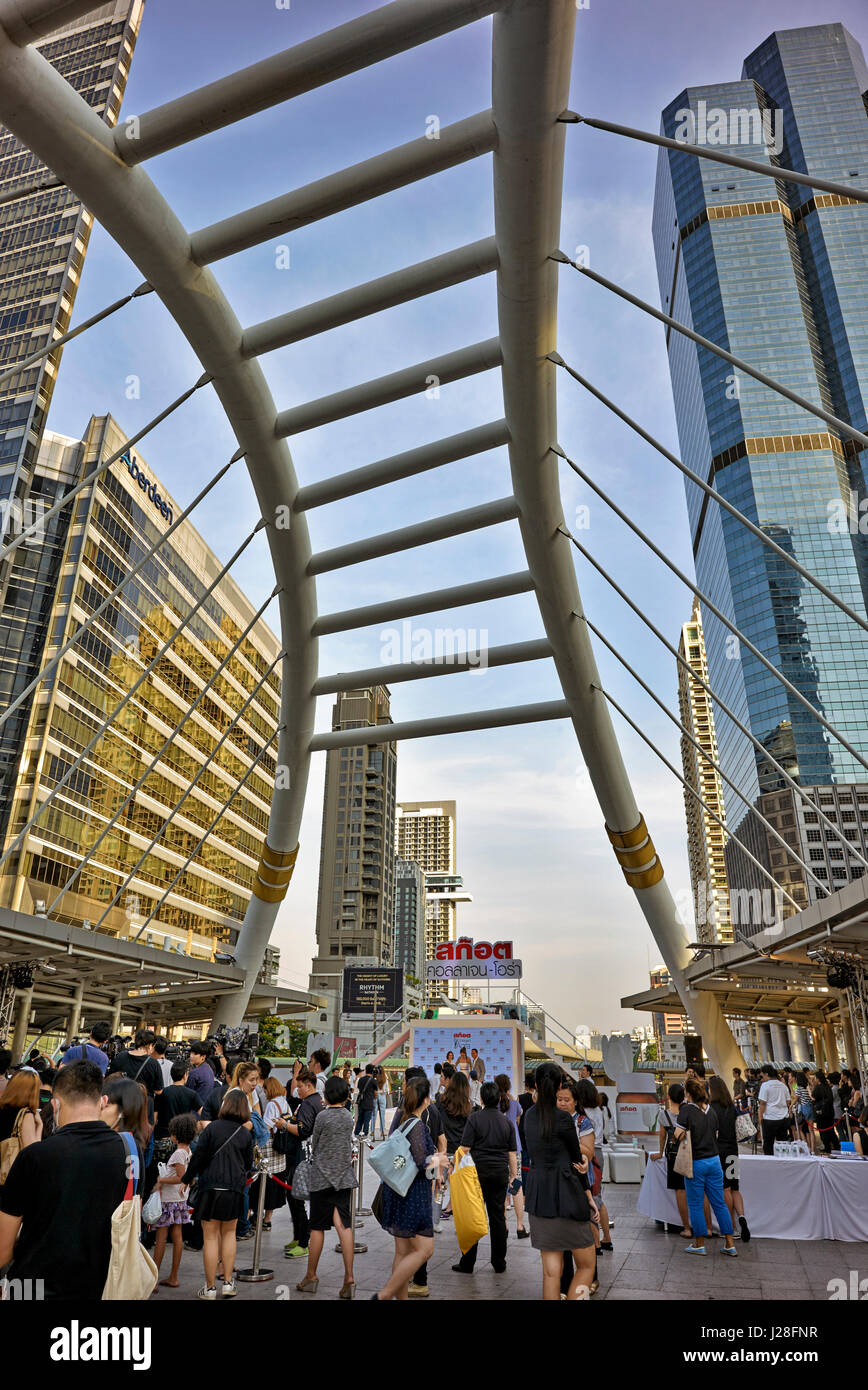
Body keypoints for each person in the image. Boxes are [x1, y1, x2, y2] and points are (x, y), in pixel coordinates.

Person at [0, 1061, 131, 1299]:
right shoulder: (129, 1153)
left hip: (31, 1288)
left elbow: (3, 1248)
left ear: (56, 1103)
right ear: (102, 1102)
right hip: (98, 1286)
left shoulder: (34, 1157)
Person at [525, 1063, 597, 1301]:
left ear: (535, 1085)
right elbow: (577, 1161)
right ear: (558, 1086)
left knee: (550, 1272)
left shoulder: (528, 1117)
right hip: (567, 1196)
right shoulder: (564, 1118)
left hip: (538, 1197)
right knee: (587, 1265)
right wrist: (588, 1195)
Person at [373, 1074, 448, 1300]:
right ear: (426, 1099)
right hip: (412, 1196)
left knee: (402, 1252)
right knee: (425, 1250)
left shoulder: (405, 1121)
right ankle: (385, 1295)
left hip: (399, 1192)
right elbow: (420, 1160)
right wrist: (438, 1160)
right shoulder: (416, 1124)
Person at [185, 1087, 255, 1299]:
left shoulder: (212, 1128)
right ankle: (227, 1283)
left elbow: (198, 1156)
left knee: (210, 1237)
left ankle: (209, 1288)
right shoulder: (244, 1133)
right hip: (234, 1188)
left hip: (210, 1187)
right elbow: (248, 1164)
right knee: (229, 1234)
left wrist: (186, 1178)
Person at [295, 1075, 358, 1299]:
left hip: (322, 1178)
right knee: (344, 1227)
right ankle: (349, 1278)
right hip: (343, 1178)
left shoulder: (322, 1117)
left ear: (327, 1094)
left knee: (318, 1228)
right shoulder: (348, 1117)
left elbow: (317, 1143)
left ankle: (311, 1276)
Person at [452, 1080, 517, 1276]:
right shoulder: (506, 1122)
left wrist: (453, 1169)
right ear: (498, 1099)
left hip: (477, 1175)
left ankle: (468, 1263)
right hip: (499, 1174)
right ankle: (499, 1262)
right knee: (497, 1217)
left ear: (480, 1098)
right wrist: (513, 1175)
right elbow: (512, 1153)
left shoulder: (474, 1118)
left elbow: (464, 1148)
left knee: (473, 1216)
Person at [673, 1076, 736, 1256]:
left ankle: (699, 1243)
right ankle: (730, 1242)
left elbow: (678, 1134)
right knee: (719, 1203)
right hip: (714, 1160)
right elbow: (715, 1135)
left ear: (688, 1094)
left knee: (695, 1203)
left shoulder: (686, 1111)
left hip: (696, 1161)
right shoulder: (712, 1111)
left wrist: (678, 1136)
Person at [153, 1111, 197, 1288]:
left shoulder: (179, 1153)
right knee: (177, 1235)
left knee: (161, 1237)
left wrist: (161, 1179)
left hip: (169, 1200)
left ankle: (153, 1279)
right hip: (180, 1200)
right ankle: (173, 1276)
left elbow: (181, 1177)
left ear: (177, 1135)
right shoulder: (188, 1151)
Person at [284, 1068, 324, 1261]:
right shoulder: (317, 1101)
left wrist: (283, 1125)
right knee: (294, 1196)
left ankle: (302, 1241)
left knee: (295, 1196)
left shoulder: (308, 1104)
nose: (297, 1090)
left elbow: (303, 1130)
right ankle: (298, 1236)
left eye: (299, 1086)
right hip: (308, 1156)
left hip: (302, 1157)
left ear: (309, 1086)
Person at [708, 1075, 750, 1243]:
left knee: (725, 1190)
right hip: (733, 1151)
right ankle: (742, 1218)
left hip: (720, 1152)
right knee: (735, 1188)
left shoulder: (712, 1109)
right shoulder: (732, 1107)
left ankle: (732, 1228)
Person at [652, 1081, 695, 1238]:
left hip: (674, 1156)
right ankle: (705, 1227)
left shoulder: (664, 1115)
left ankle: (686, 1227)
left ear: (669, 1097)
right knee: (697, 1190)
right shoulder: (690, 1112)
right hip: (691, 1154)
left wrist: (659, 1153)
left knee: (680, 1191)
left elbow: (662, 1136)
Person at [577, 1077, 613, 1252]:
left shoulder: (584, 1114)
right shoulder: (600, 1110)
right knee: (598, 1197)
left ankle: (596, 1243)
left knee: (589, 1197)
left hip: (588, 1152)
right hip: (599, 1151)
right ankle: (606, 1238)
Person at [495, 1072, 529, 1237]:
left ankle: (504, 1226)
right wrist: (510, 1095)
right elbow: (519, 1115)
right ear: (508, 1086)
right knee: (516, 1184)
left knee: (501, 1186)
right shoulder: (514, 1103)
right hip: (514, 1148)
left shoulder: (494, 1104)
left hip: (498, 1149)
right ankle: (520, 1226)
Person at [154, 1061, 202, 1162]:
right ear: (185, 1075)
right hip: (182, 1140)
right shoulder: (192, 1094)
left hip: (163, 1137)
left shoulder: (162, 1093)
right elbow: (204, 1114)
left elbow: (154, 1119)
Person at [260, 1075, 290, 1230]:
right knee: (276, 1180)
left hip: (270, 1147)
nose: (264, 1093)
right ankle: (268, 1218)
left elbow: (266, 1127)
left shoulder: (272, 1104)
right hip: (281, 1147)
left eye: (265, 1089)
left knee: (265, 1182)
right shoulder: (284, 1101)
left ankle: (259, 1215)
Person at [0, 1069, 42, 1174]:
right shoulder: (25, 1115)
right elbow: (33, 1152)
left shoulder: (2, 1106)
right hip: (8, 1176)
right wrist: (40, 1125)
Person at [100, 1076, 149, 1151]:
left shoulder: (125, 1148)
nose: (100, 1109)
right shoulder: (131, 1145)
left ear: (123, 1111)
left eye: (107, 1106)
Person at [757, 1064, 792, 1154]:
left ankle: (770, 1162)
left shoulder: (765, 1085)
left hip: (770, 1118)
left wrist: (760, 1117)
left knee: (768, 1143)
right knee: (783, 1143)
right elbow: (788, 1101)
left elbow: (763, 1103)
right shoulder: (783, 1085)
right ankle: (784, 1162)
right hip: (783, 1118)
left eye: (762, 1075)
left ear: (767, 1074)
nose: (762, 1078)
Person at [811, 1069, 839, 1153]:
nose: (814, 1080)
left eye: (815, 1078)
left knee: (823, 1131)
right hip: (829, 1112)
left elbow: (813, 1098)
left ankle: (827, 1147)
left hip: (821, 1114)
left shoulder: (818, 1088)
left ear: (818, 1079)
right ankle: (836, 1146)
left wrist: (810, 1090)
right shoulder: (828, 1087)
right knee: (831, 1131)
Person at [354, 1063, 378, 1138]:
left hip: (361, 1102)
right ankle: (365, 1135)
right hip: (369, 1103)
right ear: (372, 1071)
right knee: (367, 1120)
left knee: (360, 1119)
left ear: (366, 1070)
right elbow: (376, 1093)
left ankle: (356, 1133)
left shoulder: (361, 1079)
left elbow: (359, 1089)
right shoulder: (374, 1081)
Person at [373, 1066, 390, 1140]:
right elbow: (387, 1090)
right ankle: (382, 1131)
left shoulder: (374, 1078)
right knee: (382, 1115)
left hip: (375, 1096)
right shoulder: (385, 1079)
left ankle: (372, 1131)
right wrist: (383, 1093)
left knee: (374, 1114)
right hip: (382, 1096)